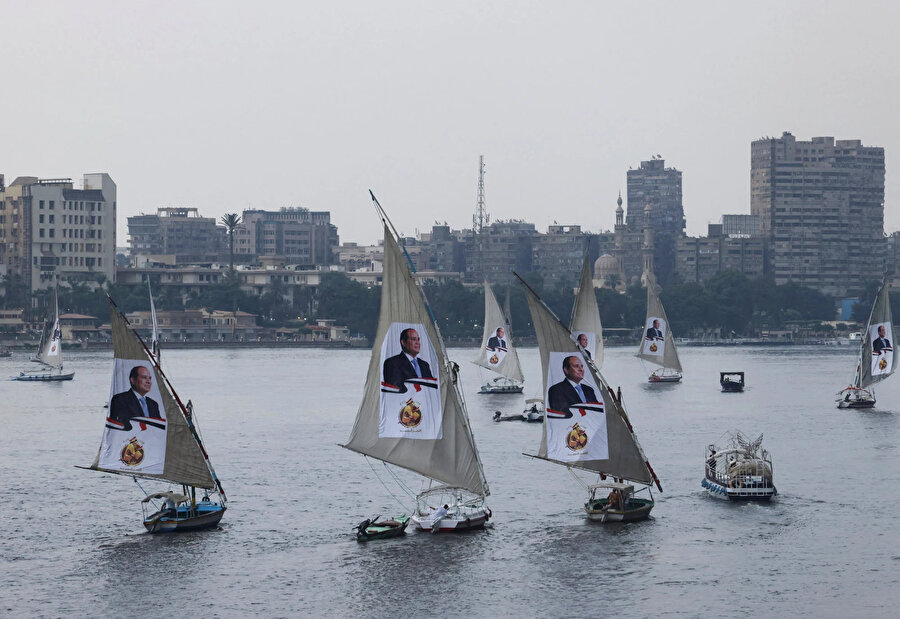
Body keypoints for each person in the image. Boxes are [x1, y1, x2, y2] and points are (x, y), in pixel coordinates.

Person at [109, 365, 161, 431]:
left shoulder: (153, 404)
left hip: (152, 439)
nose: (148, 381)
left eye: (150, 378)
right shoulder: (120, 400)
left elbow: (159, 428)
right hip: (132, 439)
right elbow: (118, 427)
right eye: (144, 377)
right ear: (133, 380)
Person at [382, 328, 434, 392]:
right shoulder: (392, 363)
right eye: (413, 339)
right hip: (405, 401)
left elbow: (432, 389)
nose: (417, 343)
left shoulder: (424, 365)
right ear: (403, 342)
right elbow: (395, 389)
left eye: (418, 339)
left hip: (425, 401)